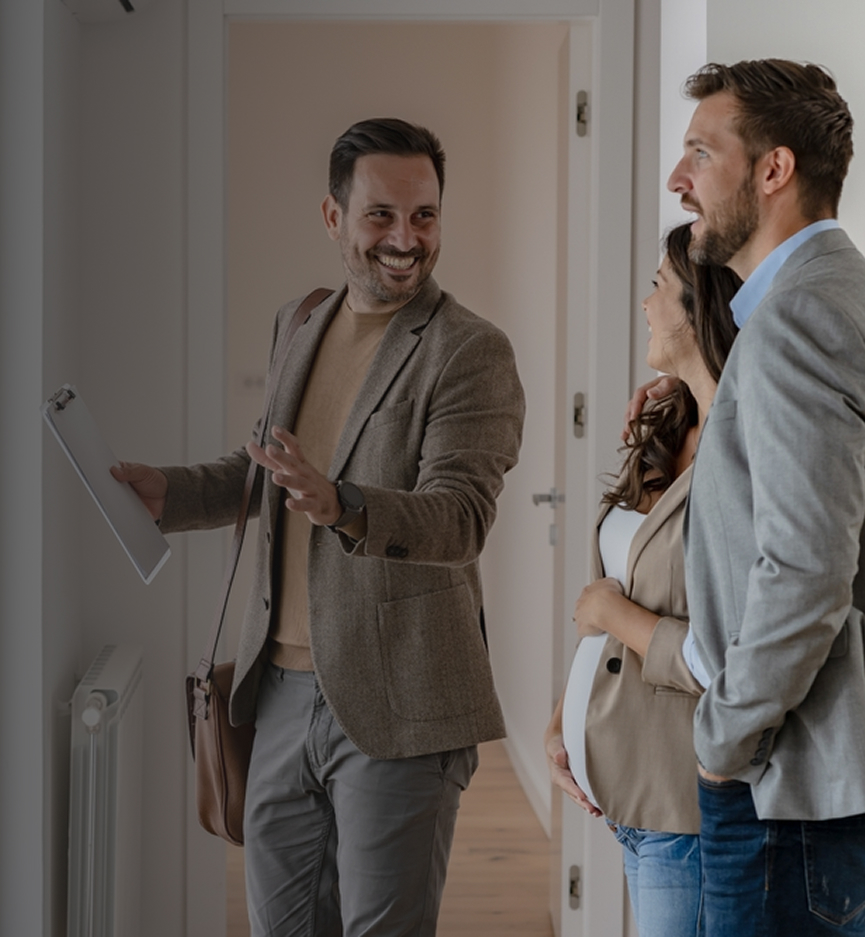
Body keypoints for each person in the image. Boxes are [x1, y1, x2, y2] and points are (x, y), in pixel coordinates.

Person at [114, 118, 525, 937]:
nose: (405, 239)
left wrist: (343, 503)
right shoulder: (299, 321)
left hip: (400, 703)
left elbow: (460, 516)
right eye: (380, 215)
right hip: (279, 694)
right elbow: (266, 471)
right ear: (333, 217)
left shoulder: (469, 350)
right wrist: (172, 493)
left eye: (424, 216)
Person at [658, 59, 865, 936]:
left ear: (771, 169)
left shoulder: (794, 320)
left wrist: (721, 739)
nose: (679, 181)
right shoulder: (835, 295)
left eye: (699, 154)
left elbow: (807, 566)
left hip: (788, 784)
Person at [544, 222, 740, 937]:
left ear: (701, 307)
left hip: (682, 810)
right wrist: (564, 715)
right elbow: (632, 579)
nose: (644, 304)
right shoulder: (673, 417)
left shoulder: (744, 452)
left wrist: (607, 611)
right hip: (626, 798)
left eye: (658, 286)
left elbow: (735, 658)